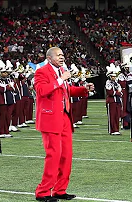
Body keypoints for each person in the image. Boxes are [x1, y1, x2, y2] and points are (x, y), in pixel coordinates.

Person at [34, 47, 95, 202]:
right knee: (53, 155)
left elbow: (67, 91)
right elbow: (42, 90)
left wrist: (83, 89)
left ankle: (60, 190)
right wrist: (61, 79)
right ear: (49, 57)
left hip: (65, 118)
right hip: (50, 119)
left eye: (63, 55)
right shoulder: (42, 71)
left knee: (66, 156)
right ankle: (43, 192)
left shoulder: (62, 70)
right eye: (58, 55)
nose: (62, 57)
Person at [105, 63, 122, 135]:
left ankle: (116, 129)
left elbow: (120, 91)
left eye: (114, 77)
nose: (114, 78)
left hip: (117, 101)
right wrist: (117, 93)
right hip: (111, 101)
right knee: (112, 115)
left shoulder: (116, 83)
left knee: (117, 115)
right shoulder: (108, 82)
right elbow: (110, 92)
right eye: (112, 76)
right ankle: (112, 130)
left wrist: (118, 92)